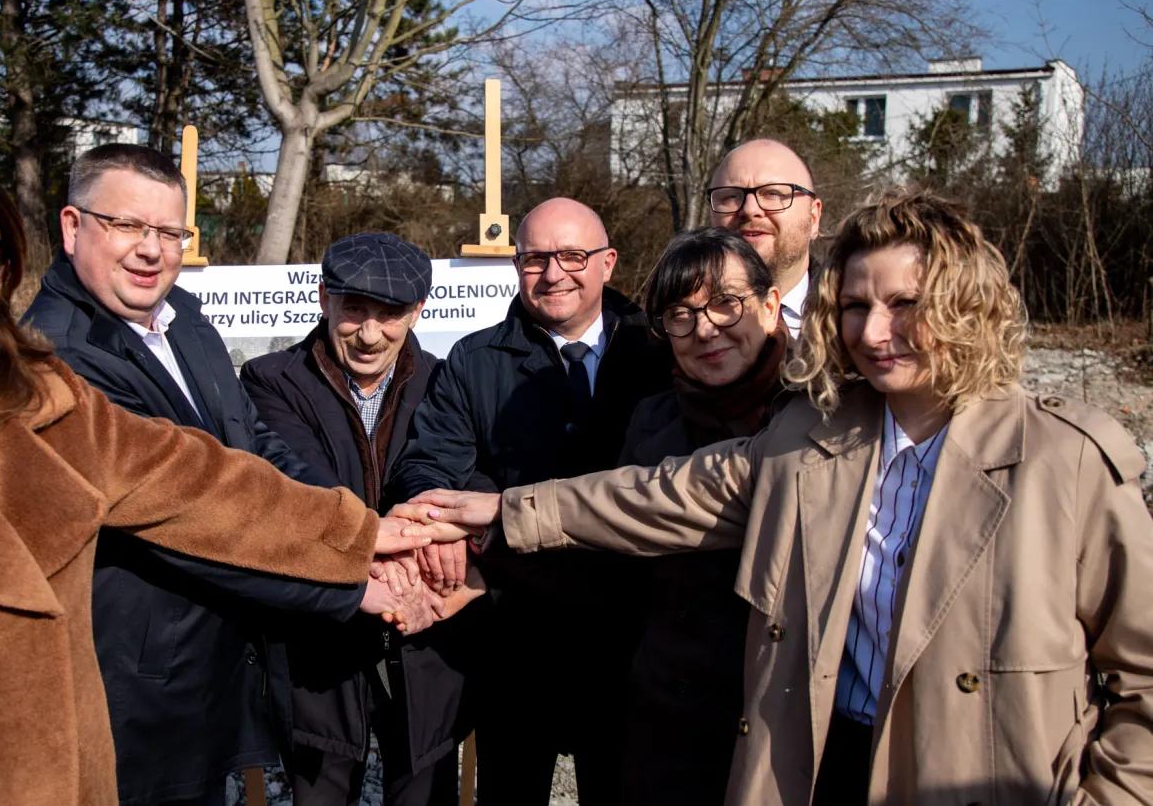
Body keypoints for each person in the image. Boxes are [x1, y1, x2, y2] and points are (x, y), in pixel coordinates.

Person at [400, 189, 1153, 805]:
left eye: (905, 303)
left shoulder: (1067, 459)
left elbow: (1141, 674)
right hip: (812, 761)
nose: (875, 331)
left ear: (967, 306)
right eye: (855, 306)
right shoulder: (814, 436)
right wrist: (500, 514)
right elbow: (664, 495)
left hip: (983, 777)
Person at [0, 150, 430, 806]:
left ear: (4, 275)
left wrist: (365, 533)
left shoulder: (48, 403)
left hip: (51, 770)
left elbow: (202, 482)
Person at [22, 144, 406, 806]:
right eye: (126, 226)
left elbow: (247, 443)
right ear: (72, 226)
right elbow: (184, 522)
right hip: (133, 684)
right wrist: (346, 580)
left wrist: (351, 523)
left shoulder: (184, 318)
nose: (151, 249)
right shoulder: (59, 359)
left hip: (213, 664)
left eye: (169, 232)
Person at [385, 197, 673, 805]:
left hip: (632, 635)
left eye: (572, 256)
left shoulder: (660, 354)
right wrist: (446, 528)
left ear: (607, 263)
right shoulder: (475, 358)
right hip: (516, 636)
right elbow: (427, 465)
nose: (553, 273)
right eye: (536, 258)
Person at [242, 232, 485, 806]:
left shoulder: (447, 380)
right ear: (325, 299)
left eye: (390, 314)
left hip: (426, 634)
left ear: (418, 311)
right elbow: (300, 482)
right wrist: (402, 545)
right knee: (321, 787)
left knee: (423, 788)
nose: (370, 334)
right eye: (354, 310)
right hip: (320, 636)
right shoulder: (269, 380)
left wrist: (449, 538)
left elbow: (471, 472)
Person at [618, 227, 788, 806]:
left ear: (769, 306)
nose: (704, 329)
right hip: (670, 725)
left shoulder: (824, 413)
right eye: (680, 315)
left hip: (786, 724)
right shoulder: (651, 421)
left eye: (724, 304)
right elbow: (612, 550)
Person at [708, 139, 822, 336]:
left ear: (813, 217)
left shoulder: (857, 323)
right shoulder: (669, 334)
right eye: (730, 196)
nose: (750, 210)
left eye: (773, 193)